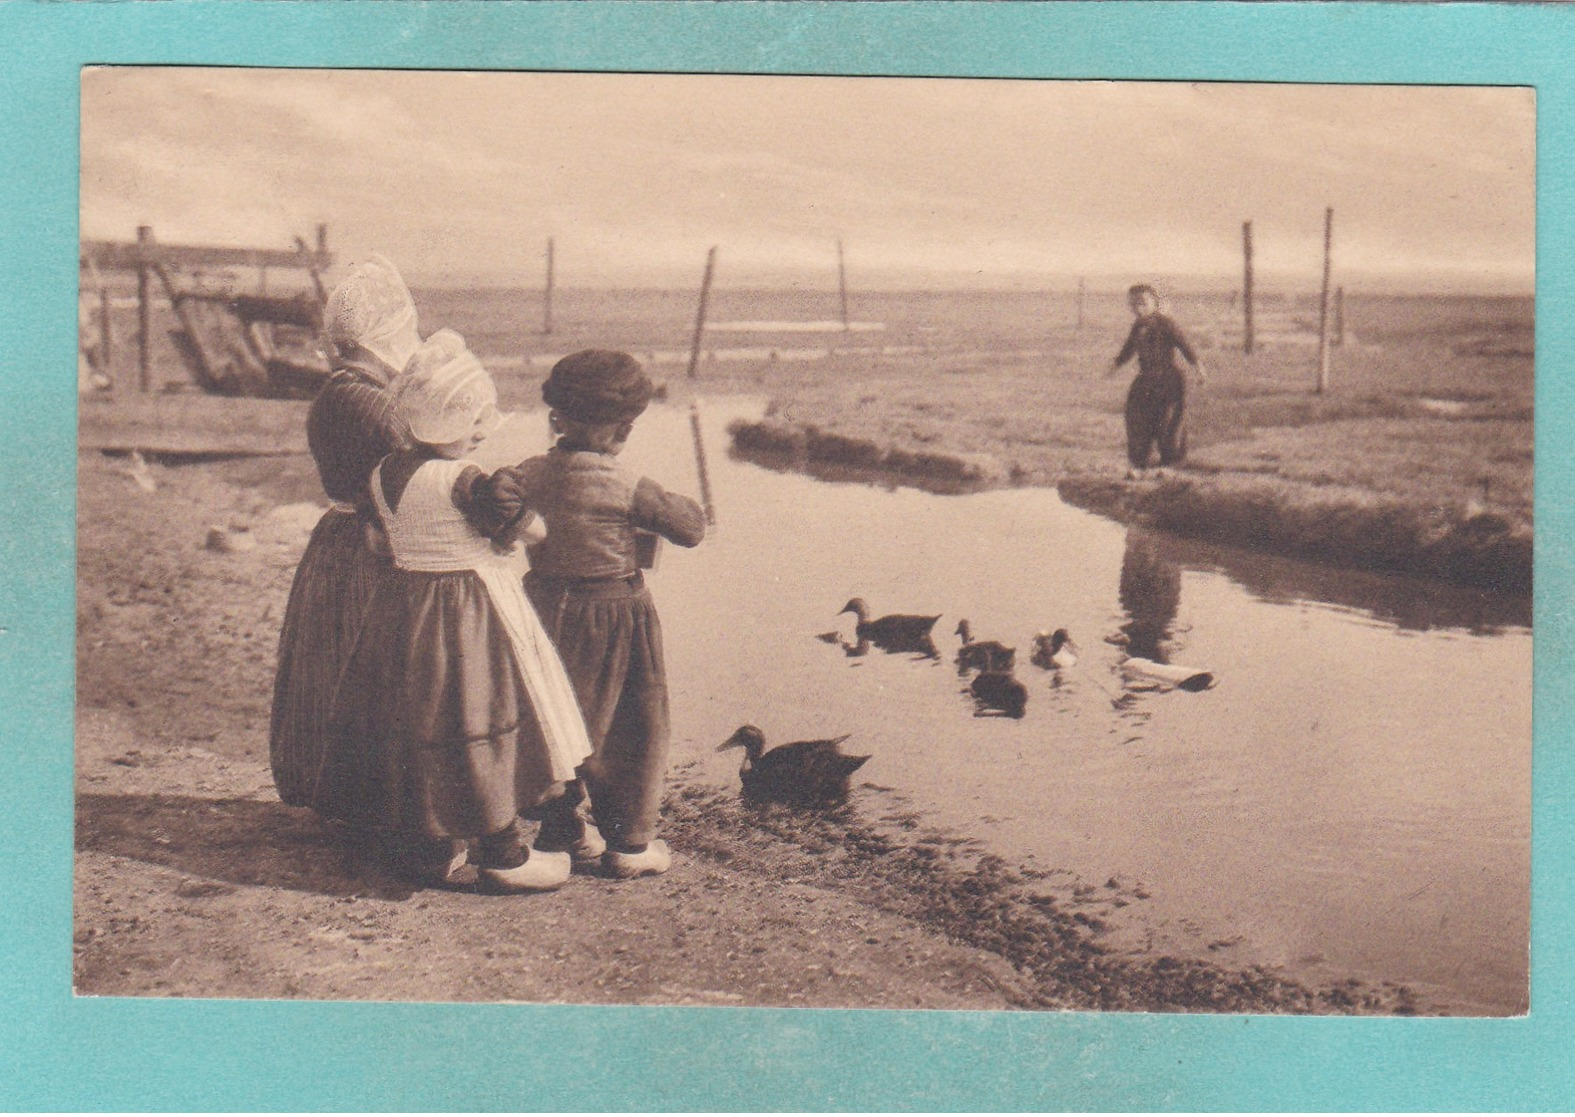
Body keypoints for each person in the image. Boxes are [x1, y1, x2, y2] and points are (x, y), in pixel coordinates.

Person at [316, 331, 593, 893]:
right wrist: (509, 528)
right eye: (473, 424)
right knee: (484, 716)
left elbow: (377, 542)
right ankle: (503, 853)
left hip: (403, 605)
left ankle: (429, 844)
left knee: (418, 719)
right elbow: (532, 533)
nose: (480, 434)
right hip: (471, 608)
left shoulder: (382, 475)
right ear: (451, 423)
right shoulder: (468, 480)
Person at [494, 350, 706, 880]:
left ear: (555, 419)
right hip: (615, 613)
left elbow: (493, 503)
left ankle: (560, 824)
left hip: (540, 607)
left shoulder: (529, 474)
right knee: (632, 722)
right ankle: (629, 843)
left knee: (550, 715)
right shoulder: (628, 484)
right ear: (627, 428)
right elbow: (690, 528)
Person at [269, 255, 421, 808]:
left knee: (326, 663)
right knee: (365, 664)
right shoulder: (376, 404)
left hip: (336, 536)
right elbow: (414, 473)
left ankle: (324, 786)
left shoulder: (334, 392)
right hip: (370, 544)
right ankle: (360, 797)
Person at [1104, 284, 1207, 474]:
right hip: (1145, 381)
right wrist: (1114, 367)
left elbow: (1185, 346)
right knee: (1137, 420)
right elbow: (1127, 350)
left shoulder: (1166, 324)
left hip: (1168, 381)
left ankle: (1170, 466)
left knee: (1168, 423)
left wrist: (1198, 368)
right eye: (1133, 304)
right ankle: (1140, 465)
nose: (1138, 308)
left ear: (1154, 302)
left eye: (1143, 303)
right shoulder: (1138, 326)